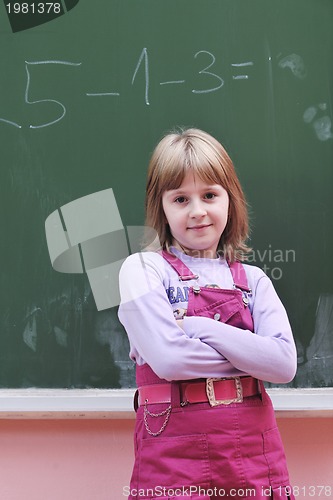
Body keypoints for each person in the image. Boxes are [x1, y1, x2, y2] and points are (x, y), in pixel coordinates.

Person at [118, 128, 297, 500]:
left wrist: (197, 326)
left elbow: (283, 365)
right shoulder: (142, 270)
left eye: (210, 195)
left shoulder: (255, 279)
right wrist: (252, 356)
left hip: (254, 450)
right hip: (172, 455)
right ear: (161, 207)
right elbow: (170, 360)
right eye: (181, 198)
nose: (197, 211)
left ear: (229, 200)